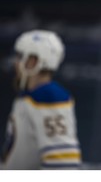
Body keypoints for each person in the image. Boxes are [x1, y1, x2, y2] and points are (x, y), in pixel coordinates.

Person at [0, 30, 82, 169]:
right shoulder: (29, 97)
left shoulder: (48, 98)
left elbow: (63, 163)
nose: (16, 63)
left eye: (20, 56)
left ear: (33, 61)